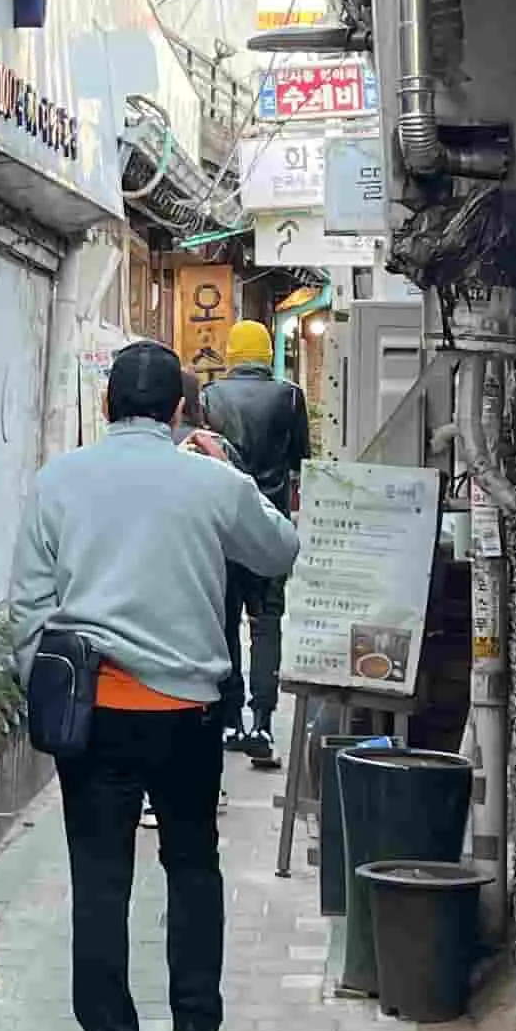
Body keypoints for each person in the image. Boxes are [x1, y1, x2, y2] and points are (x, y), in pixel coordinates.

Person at [10, 338, 300, 1031]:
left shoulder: (58, 481)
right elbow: (279, 552)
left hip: (94, 714)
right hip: (189, 714)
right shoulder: (208, 481)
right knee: (193, 867)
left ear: (106, 404)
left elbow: (29, 608)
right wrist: (233, 472)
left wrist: (41, 683)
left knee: (100, 883)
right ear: (180, 409)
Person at [189, 318, 307, 767]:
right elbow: (301, 459)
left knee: (226, 618)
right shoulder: (290, 395)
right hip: (270, 519)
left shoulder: (209, 396)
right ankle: (262, 720)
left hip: (224, 524)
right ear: (266, 355)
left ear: (233, 354)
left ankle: (230, 717)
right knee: (266, 620)